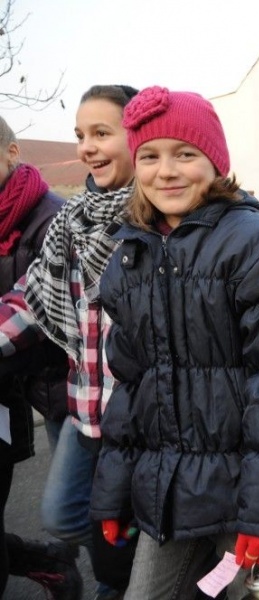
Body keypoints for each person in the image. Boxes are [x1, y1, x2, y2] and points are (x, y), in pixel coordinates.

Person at [89, 86, 259, 599]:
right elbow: (129, 387)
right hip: (167, 488)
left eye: (185, 154)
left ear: (215, 162)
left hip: (243, 487)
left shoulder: (256, 245)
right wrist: (113, 491)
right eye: (149, 155)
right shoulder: (128, 255)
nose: (165, 171)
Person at [0, 84, 141, 600]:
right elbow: (30, 295)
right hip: (87, 406)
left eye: (102, 133)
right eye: (80, 135)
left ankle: (124, 576)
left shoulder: (157, 219)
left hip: (146, 414)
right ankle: (120, 569)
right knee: (64, 513)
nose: (86, 146)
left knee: (131, 526)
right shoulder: (75, 221)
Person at [0, 116, 82, 599]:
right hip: (23, 383)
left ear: (12, 153)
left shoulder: (51, 217)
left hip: (69, 382)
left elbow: (31, 301)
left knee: (73, 508)